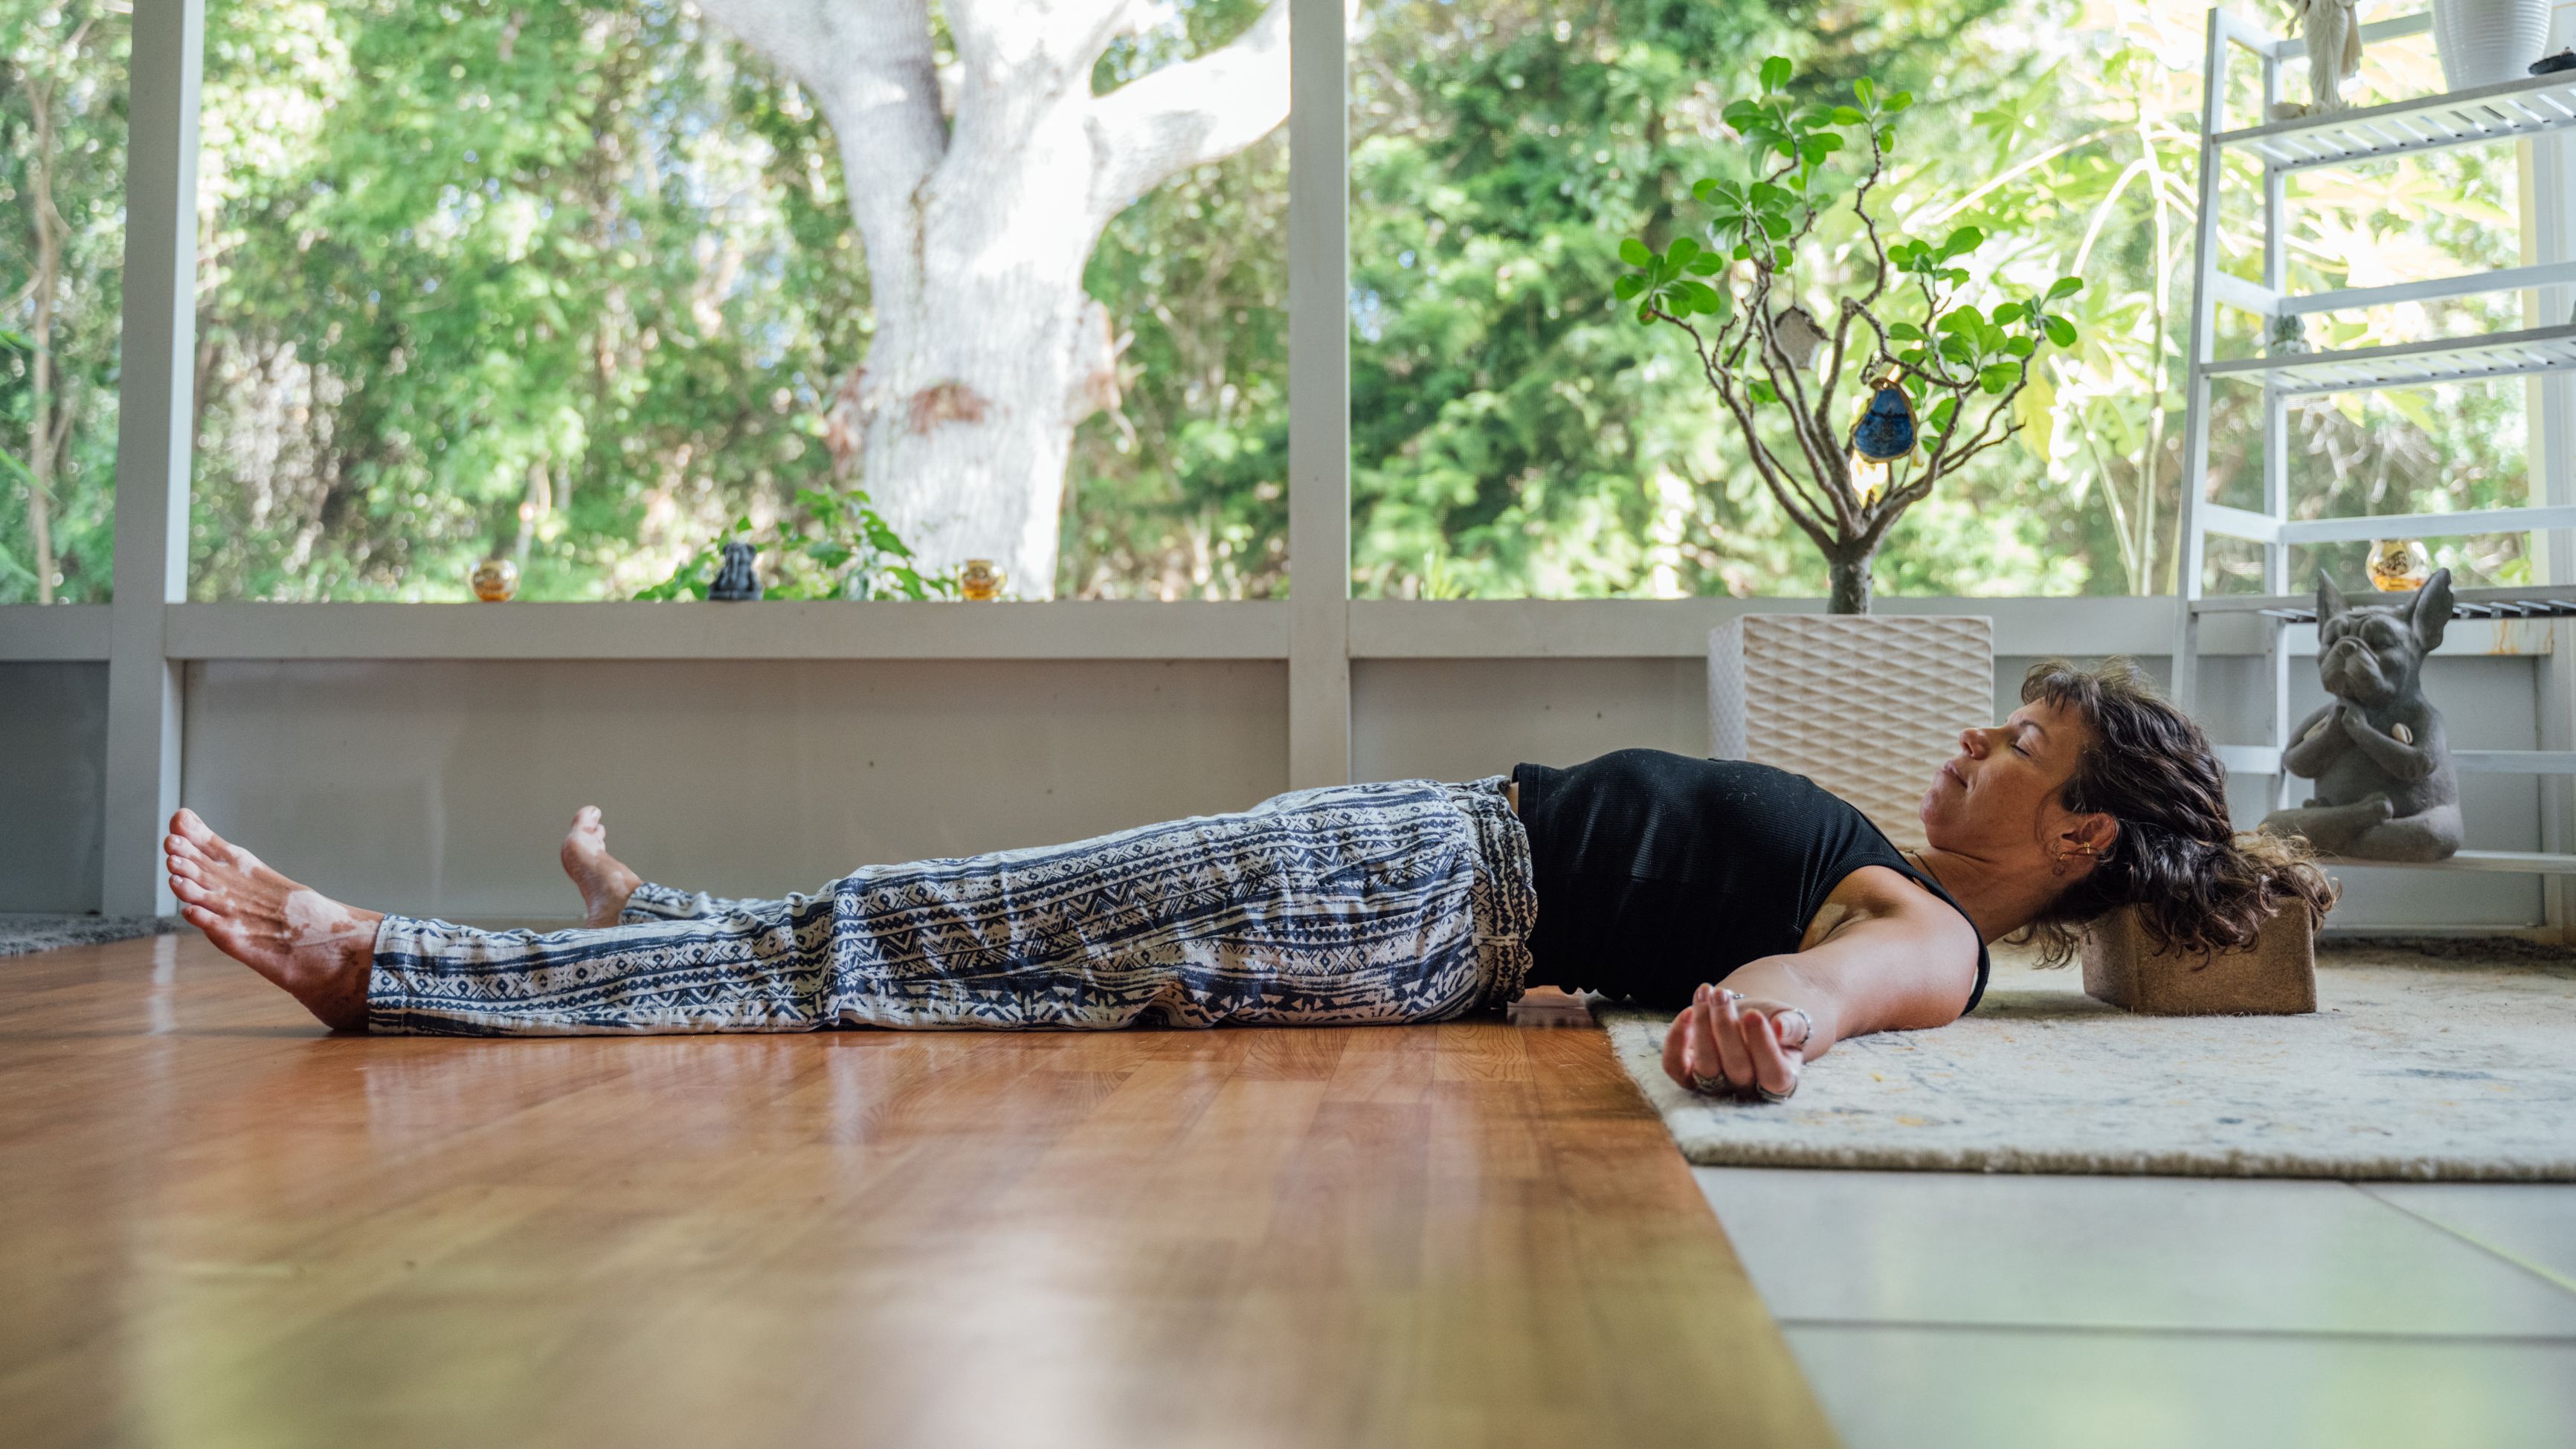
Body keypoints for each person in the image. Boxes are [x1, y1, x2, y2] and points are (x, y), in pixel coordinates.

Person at [164, 658, 2331, 1103]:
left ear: (2072, 842)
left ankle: (410, 971)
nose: (1965, 746)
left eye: (2011, 751)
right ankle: (645, 936)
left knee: (938, 932)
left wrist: (1772, 1020)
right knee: (945, 944)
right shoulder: (1912, 874)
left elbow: (1829, 990)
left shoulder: (1929, 933)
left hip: (1418, 888)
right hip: (1422, 894)